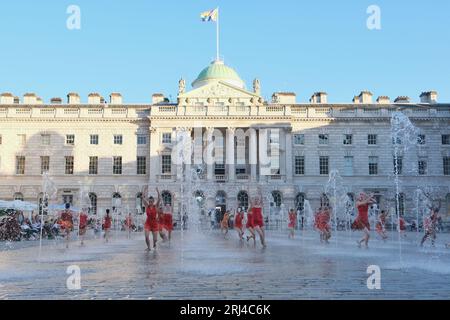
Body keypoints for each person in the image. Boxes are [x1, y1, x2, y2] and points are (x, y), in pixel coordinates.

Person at [142, 187, 160, 251]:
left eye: (151, 201)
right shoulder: (147, 206)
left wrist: (157, 191)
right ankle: (149, 247)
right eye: (149, 201)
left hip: (154, 224)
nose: (150, 202)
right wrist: (144, 190)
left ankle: (154, 246)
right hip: (148, 223)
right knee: (146, 237)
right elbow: (143, 198)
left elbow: (159, 198)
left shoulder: (156, 206)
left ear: (153, 201)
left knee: (155, 240)